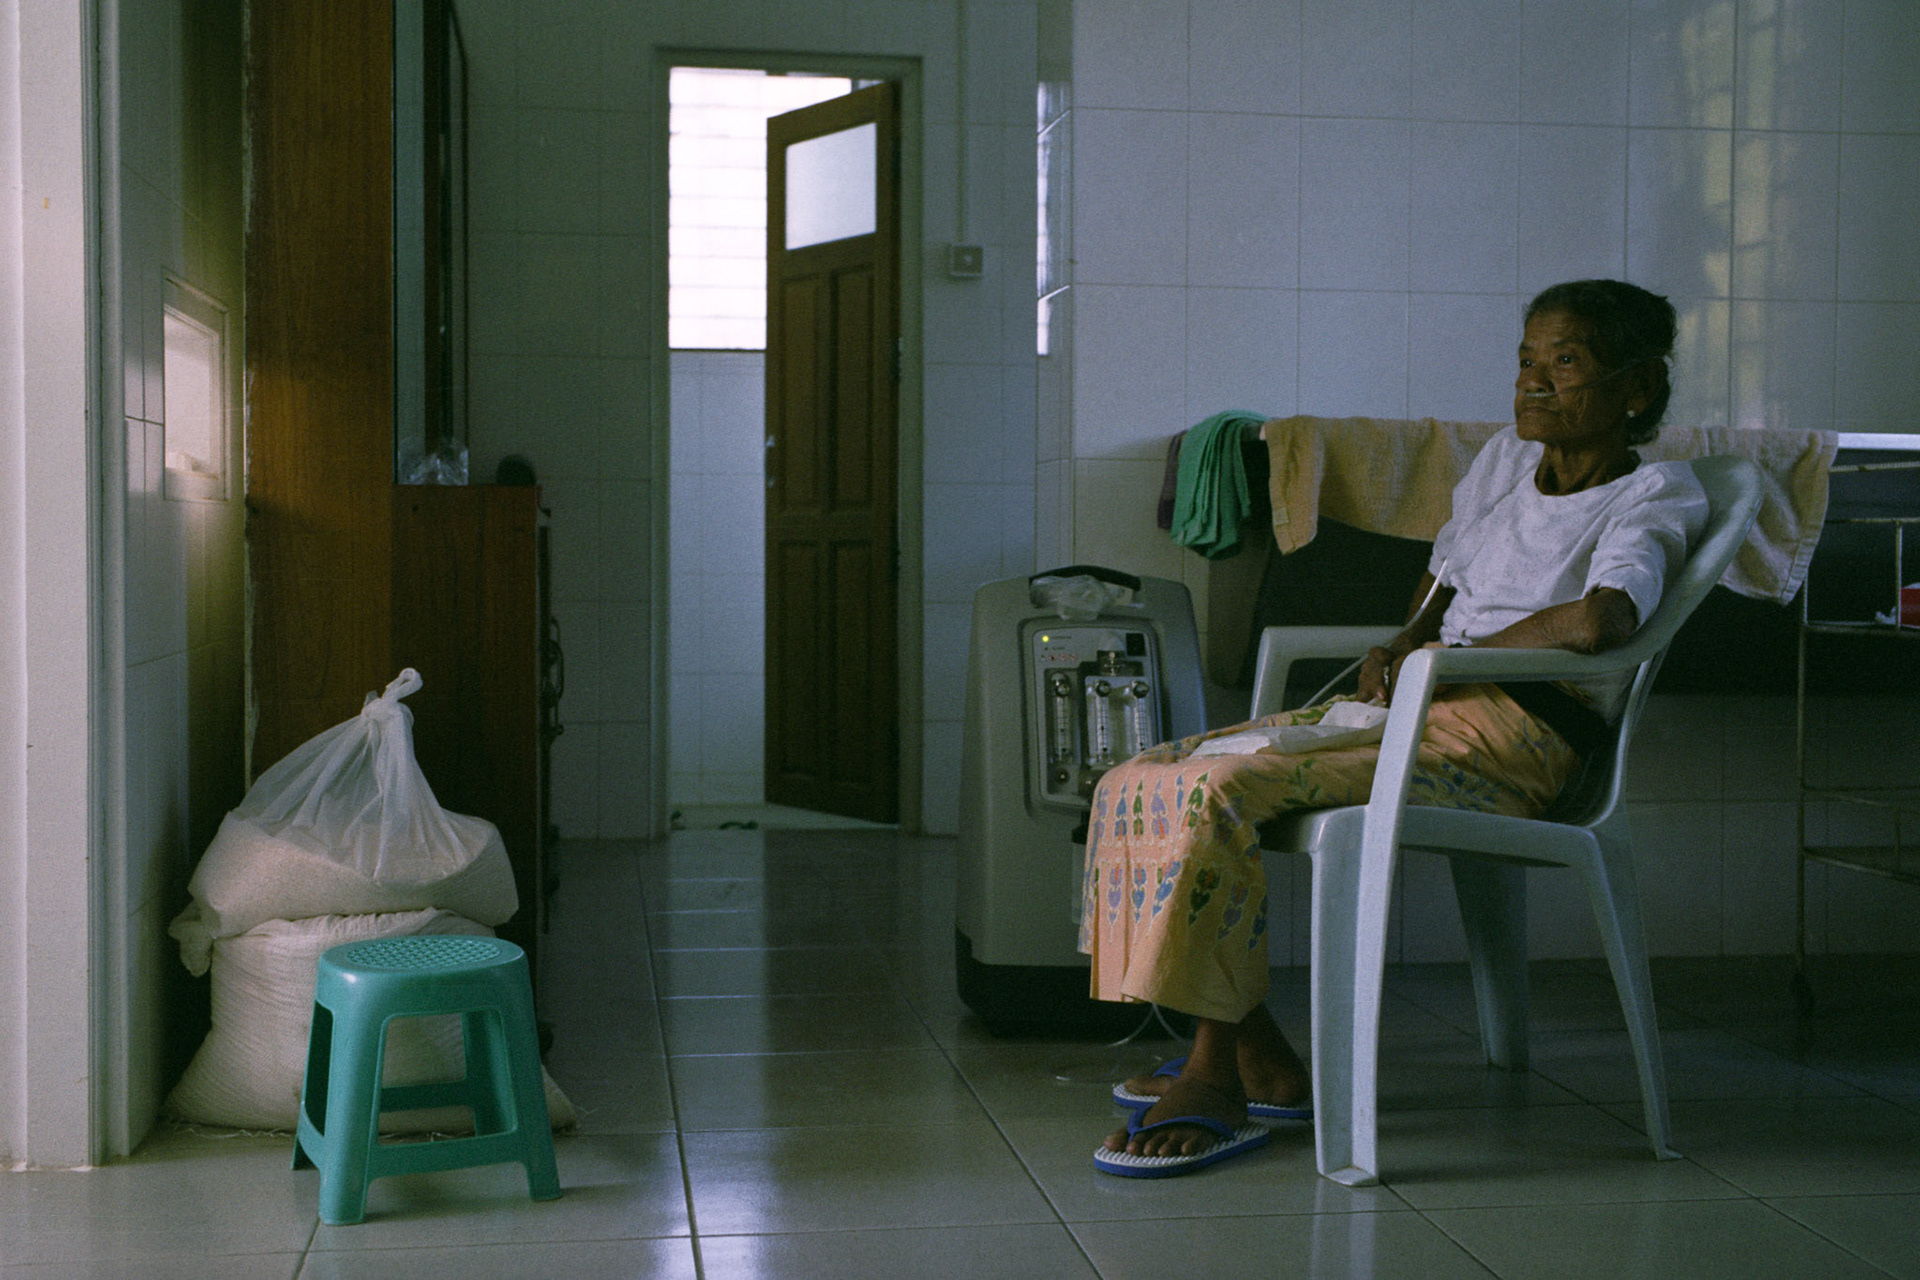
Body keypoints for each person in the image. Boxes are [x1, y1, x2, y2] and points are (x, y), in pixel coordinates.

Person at [1084, 279, 1710, 1177]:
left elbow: (1599, 620)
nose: (1532, 383)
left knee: (1220, 786)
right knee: (1140, 775)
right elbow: (1444, 573)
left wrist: (1451, 659)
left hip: (1513, 741)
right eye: (1526, 359)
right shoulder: (1505, 459)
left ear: (1637, 388)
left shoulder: (1654, 495)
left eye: (1564, 362)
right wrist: (1407, 640)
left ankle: (1217, 1073)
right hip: (1416, 706)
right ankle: (1250, 1043)